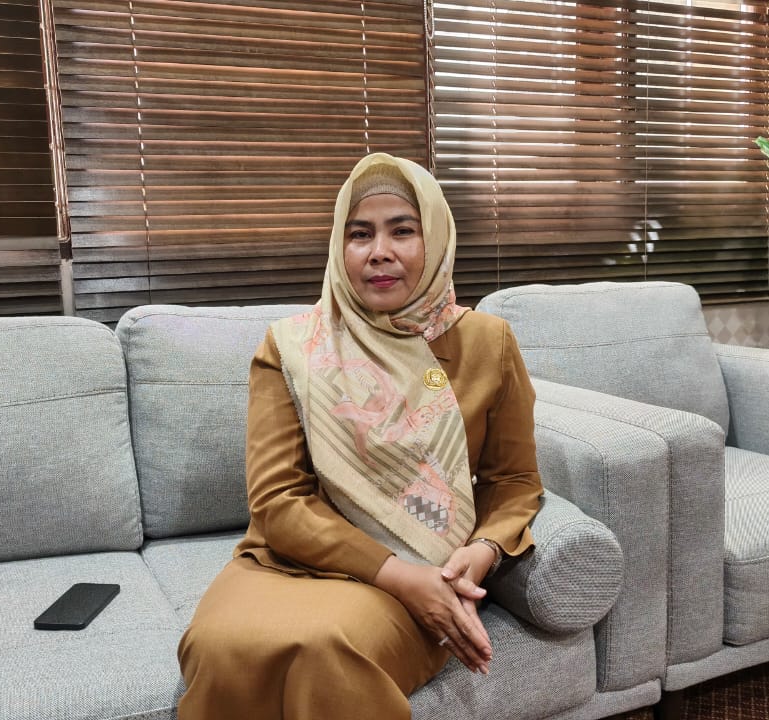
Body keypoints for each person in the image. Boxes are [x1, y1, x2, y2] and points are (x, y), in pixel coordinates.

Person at [176, 153, 543, 719]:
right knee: (221, 646)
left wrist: (482, 551)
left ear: (436, 239)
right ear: (339, 248)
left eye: (403, 231)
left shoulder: (487, 343)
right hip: (295, 560)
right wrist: (399, 577)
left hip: (426, 562)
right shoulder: (292, 348)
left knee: (327, 649)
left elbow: (513, 480)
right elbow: (277, 501)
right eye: (360, 234)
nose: (379, 252)